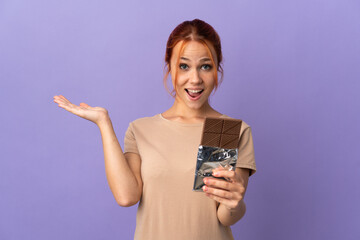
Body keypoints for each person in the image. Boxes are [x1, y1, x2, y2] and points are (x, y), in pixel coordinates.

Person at [53, 18, 256, 240]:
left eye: (205, 66)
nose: (195, 79)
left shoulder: (222, 129)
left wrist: (236, 204)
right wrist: (103, 123)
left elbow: (224, 216)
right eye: (184, 66)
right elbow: (126, 197)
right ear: (170, 67)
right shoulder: (142, 130)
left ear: (217, 68)